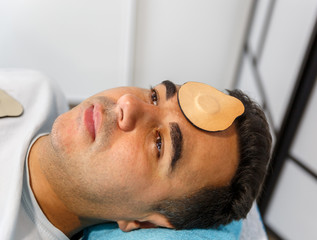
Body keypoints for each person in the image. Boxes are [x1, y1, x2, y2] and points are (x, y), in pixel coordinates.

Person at [0, 69, 271, 240]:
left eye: (159, 144)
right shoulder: (39, 90)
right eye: (155, 96)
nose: (128, 103)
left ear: (144, 222)